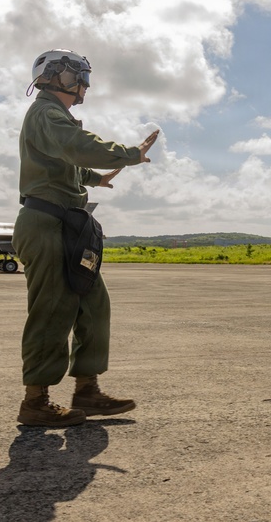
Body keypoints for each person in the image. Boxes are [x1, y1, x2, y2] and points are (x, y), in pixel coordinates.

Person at [13, 49, 159, 427]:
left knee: (94, 304)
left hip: (69, 226)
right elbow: (76, 147)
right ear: (55, 76)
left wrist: (97, 179)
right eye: (77, 76)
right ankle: (35, 401)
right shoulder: (47, 113)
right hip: (46, 224)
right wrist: (127, 154)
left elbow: (64, 165)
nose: (83, 85)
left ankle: (87, 390)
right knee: (52, 309)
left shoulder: (56, 117)